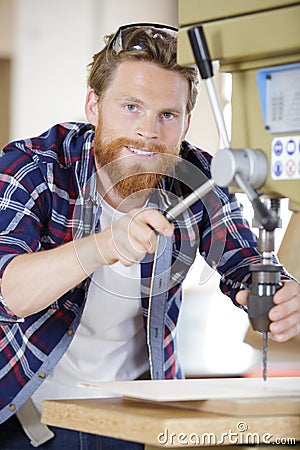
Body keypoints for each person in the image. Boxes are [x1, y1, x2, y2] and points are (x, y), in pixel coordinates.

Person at [0, 22, 299, 449]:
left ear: (185, 122)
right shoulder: (35, 166)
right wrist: (104, 245)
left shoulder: (198, 177)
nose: (148, 131)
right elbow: (10, 291)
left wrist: (282, 295)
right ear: (93, 105)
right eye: (131, 107)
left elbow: (245, 264)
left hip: (137, 418)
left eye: (167, 115)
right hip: (26, 415)